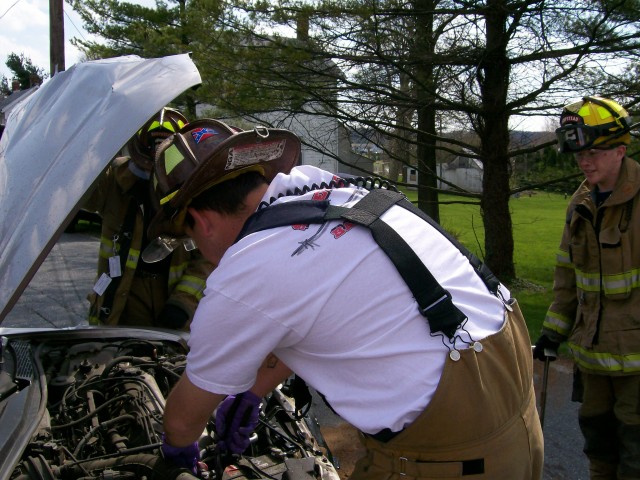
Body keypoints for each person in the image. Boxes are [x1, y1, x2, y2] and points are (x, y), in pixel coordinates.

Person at [148, 119, 543, 478]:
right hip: (517, 422)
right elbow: (324, 311)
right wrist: (252, 390)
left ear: (199, 221)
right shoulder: (336, 193)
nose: (197, 251)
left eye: (188, 240)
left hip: (448, 460)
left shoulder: (248, 267)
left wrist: (178, 453)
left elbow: (183, 422)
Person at [534, 95, 640, 480]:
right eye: (579, 153)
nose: (584, 160)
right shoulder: (579, 203)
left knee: (635, 455)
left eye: (594, 151)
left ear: (620, 150)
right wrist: (552, 332)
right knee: (598, 448)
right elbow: (567, 278)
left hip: (636, 363)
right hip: (593, 359)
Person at [84, 108, 214, 329]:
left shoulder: (193, 188)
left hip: (171, 297)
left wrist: (183, 302)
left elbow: (209, 255)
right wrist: (100, 145)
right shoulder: (116, 179)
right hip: (122, 301)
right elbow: (82, 197)